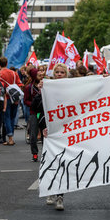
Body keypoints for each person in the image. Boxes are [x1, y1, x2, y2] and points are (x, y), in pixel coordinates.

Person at [43, 63, 68, 210]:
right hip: (51, 132)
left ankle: (60, 196)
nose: (59, 75)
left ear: (66, 74)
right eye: (57, 72)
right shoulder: (47, 88)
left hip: (67, 131)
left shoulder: (74, 88)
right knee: (51, 163)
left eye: (62, 73)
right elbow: (37, 109)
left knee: (63, 164)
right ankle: (51, 190)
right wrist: (43, 127)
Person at [0, 57, 24, 146]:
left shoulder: (0, 74)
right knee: (12, 117)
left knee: (7, 118)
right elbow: (19, 84)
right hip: (14, 97)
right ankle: (11, 136)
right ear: (7, 63)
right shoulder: (13, 73)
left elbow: (0, 87)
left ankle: (10, 137)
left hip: (5, 97)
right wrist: (17, 97)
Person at [24, 68, 43, 162]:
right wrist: (32, 104)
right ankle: (34, 153)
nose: (40, 75)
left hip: (43, 113)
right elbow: (25, 100)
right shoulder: (28, 88)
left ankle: (46, 153)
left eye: (41, 74)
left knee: (45, 134)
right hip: (34, 113)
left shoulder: (45, 85)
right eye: (38, 74)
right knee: (33, 135)